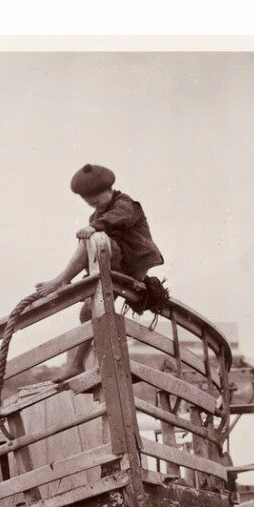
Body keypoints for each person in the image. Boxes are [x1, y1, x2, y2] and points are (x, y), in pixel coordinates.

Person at [36, 163, 165, 380]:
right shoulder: (95, 218)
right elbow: (96, 256)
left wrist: (95, 228)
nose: (92, 201)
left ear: (110, 190)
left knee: (92, 239)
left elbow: (119, 218)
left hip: (132, 269)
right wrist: (89, 278)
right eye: (87, 198)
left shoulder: (126, 205)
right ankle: (77, 363)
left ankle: (61, 280)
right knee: (88, 311)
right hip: (111, 269)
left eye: (96, 196)